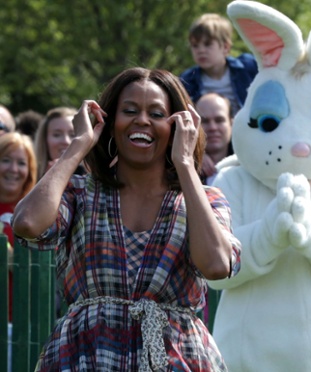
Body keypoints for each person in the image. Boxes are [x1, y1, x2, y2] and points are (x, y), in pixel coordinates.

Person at [11, 67, 241, 371]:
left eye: (157, 113)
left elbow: (215, 266)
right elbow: (27, 223)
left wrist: (185, 163)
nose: (142, 120)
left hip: (177, 358)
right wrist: (79, 145)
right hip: (86, 355)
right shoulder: (79, 193)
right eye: (129, 110)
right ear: (109, 122)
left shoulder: (205, 200)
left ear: (178, 126)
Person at [0, 132, 37, 371]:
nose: (14, 169)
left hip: (22, 325)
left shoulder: (36, 211)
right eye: (6, 160)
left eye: (21, 163)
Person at [179, 13, 258, 115]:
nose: (201, 50)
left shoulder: (248, 67)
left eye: (207, 44)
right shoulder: (187, 81)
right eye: (195, 45)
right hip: (209, 129)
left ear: (225, 47)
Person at [34, 107, 87, 180]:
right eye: (57, 135)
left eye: (73, 135)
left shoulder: (93, 182)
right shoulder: (30, 179)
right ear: (44, 140)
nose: (66, 141)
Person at [195, 93, 234, 185]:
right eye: (204, 121)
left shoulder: (247, 168)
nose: (212, 127)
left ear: (231, 123)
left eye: (219, 120)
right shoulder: (181, 169)